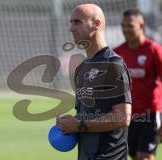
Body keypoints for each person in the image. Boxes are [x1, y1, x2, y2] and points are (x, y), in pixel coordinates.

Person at [56, 4, 132, 160]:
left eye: (77, 22)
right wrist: (70, 123)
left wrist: (79, 125)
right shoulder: (81, 68)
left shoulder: (113, 65)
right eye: (71, 22)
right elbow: (87, 114)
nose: (71, 28)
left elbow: (123, 117)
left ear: (96, 24)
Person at [113, 9, 162, 160]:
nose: (125, 29)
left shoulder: (154, 51)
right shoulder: (118, 53)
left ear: (141, 25)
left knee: (144, 157)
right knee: (133, 155)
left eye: (130, 25)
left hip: (151, 113)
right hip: (127, 115)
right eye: (123, 25)